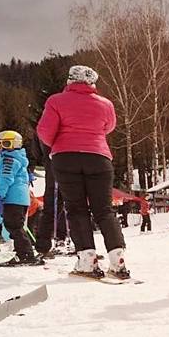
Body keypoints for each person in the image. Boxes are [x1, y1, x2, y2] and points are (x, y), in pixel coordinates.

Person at [36, 64, 130, 279]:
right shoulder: (105, 104)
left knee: (76, 208)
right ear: (92, 83)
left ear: (70, 80)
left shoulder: (56, 101)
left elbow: (44, 132)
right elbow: (109, 127)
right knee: (104, 209)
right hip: (99, 158)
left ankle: (87, 261)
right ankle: (118, 259)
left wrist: (60, 144)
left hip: (65, 158)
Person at [0, 131, 43, 266]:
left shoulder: (9, 160)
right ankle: (24, 253)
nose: (1, 147)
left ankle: (25, 254)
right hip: (20, 198)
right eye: (0, 143)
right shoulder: (18, 159)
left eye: (5, 143)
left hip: (13, 198)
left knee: (14, 226)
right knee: (14, 226)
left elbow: (6, 179)